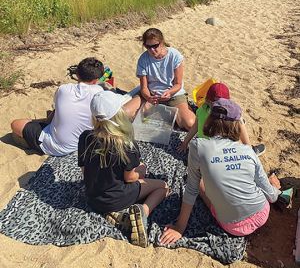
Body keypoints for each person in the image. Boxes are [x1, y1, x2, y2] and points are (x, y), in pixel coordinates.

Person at [160, 98, 281, 244]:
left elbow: (191, 189)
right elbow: (271, 196)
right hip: (261, 215)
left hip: (232, 226)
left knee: (200, 183)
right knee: (248, 177)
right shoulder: (249, 152)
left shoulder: (198, 146)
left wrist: (180, 227)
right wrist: (276, 189)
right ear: (238, 125)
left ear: (209, 119)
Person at [78, 91, 169, 248]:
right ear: (118, 114)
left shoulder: (85, 137)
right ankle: (143, 212)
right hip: (115, 197)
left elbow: (85, 172)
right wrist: (142, 169)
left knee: (118, 184)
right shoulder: (125, 144)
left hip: (92, 197)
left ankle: (116, 215)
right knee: (163, 187)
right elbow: (130, 178)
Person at [10, 57, 105, 156]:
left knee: (16, 124)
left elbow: (57, 106)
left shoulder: (64, 89)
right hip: (83, 144)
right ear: (96, 80)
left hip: (56, 146)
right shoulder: (100, 93)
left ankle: (35, 140)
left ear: (77, 74)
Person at [179, 82, 266, 156]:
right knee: (239, 122)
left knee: (238, 122)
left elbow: (195, 127)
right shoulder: (225, 114)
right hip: (221, 150)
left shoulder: (202, 109)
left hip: (204, 147)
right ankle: (250, 150)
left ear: (207, 99)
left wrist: (185, 142)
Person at [136, 28, 195, 131]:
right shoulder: (143, 59)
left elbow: (178, 84)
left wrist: (169, 92)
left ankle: (181, 110)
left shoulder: (174, 55)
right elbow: (144, 87)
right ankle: (173, 115)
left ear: (162, 42)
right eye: (148, 47)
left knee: (190, 124)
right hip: (153, 95)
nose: (152, 50)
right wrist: (149, 97)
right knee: (132, 115)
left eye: (155, 46)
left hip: (173, 94)